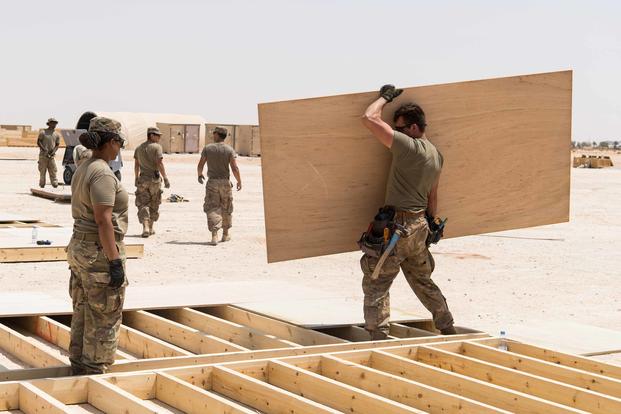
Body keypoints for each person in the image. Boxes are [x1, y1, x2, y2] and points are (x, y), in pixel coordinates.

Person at [359, 84, 456, 339]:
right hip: (418, 227)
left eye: (400, 128)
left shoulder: (409, 147)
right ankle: (447, 326)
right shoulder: (437, 156)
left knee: (376, 281)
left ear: (413, 127)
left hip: (398, 229)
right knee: (423, 281)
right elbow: (432, 197)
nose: (396, 132)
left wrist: (384, 98)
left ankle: (378, 338)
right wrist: (431, 225)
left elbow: (369, 118)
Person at [66, 116, 128, 375]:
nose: (120, 148)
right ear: (111, 142)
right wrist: (115, 262)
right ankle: (94, 369)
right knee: (104, 312)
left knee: (83, 308)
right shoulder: (101, 172)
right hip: (98, 251)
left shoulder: (84, 166)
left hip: (81, 248)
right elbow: (103, 221)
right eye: (119, 143)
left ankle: (80, 363)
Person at [197, 127, 242, 245]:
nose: (213, 134)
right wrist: (239, 181)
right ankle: (226, 234)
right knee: (226, 207)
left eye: (214, 133)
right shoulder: (229, 149)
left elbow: (200, 164)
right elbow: (234, 168)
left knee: (212, 207)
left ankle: (214, 235)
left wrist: (200, 174)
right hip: (225, 183)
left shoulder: (208, 148)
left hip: (212, 182)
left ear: (217, 134)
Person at [133, 127, 170, 237]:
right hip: (154, 180)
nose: (159, 138)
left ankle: (146, 227)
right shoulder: (157, 147)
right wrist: (166, 178)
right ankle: (151, 226)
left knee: (143, 203)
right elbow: (160, 163)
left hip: (143, 179)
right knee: (154, 202)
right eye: (157, 135)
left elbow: (136, 165)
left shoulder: (138, 148)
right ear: (151, 135)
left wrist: (136, 178)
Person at [36, 117, 61, 188]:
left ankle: (54, 182)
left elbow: (57, 145)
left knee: (53, 170)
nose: (54, 124)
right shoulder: (43, 132)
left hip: (51, 156)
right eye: (52, 123)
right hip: (43, 156)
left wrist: (54, 151)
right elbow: (38, 142)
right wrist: (44, 149)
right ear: (49, 124)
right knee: (42, 171)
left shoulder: (57, 134)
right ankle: (42, 183)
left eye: (55, 123)